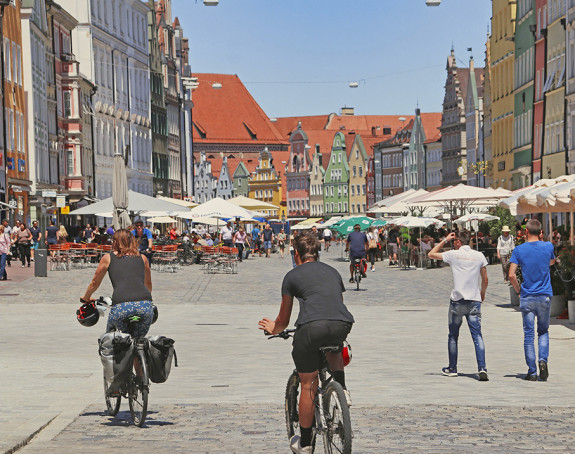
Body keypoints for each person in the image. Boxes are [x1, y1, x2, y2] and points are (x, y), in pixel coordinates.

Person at [258, 233, 354, 454]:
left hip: (310, 329)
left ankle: (306, 443)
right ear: (317, 254)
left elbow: (283, 321)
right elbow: (334, 307)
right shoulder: (333, 272)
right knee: (333, 342)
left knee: (308, 384)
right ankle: (342, 388)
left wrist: (274, 328)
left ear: (297, 255)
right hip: (343, 323)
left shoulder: (292, 276)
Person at [429, 231, 489, 381]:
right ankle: (482, 367)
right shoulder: (479, 256)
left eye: (454, 241)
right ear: (470, 241)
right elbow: (485, 278)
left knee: (453, 336)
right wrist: (482, 293)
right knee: (477, 335)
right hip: (474, 300)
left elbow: (431, 254)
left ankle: (452, 368)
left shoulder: (453, 254)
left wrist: (444, 240)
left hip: (457, 300)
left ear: (457, 242)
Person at [81, 229, 153, 339]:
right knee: (139, 341)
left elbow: (95, 282)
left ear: (116, 242)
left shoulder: (108, 257)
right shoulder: (143, 258)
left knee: (111, 339)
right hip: (145, 305)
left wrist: (86, 298)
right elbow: (148, 284)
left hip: (121, 306)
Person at [508, 219, 556, 381]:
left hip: (527, 296)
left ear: (526, 232)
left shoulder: (519, 250)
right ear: (540, 232)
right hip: (544, 295)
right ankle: (543, 361)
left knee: (529, 335)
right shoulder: (548, 246)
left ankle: (532, 372)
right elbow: (551, 262)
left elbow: (511, 274)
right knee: (543, 331)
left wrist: (518, 290)